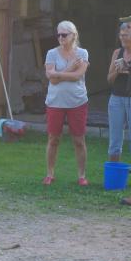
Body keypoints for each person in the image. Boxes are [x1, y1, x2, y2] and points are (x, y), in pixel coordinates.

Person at [43, 20, 89, 186]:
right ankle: (50, 174)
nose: (60, 37)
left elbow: (77, 76)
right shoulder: (51, 53)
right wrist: (70, 68)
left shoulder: (82, 53)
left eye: (64, 35)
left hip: (77, 101)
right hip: (55, 102)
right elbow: (52, 80)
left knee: (79, 140)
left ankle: (81, 176)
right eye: (58, 35)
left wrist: (58, 73)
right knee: (53, 139)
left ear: (73, 35)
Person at [106, 19, 131, 163]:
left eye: (125, 35)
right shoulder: (117, 53)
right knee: (114, 141)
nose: (122, 37)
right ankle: (114, 173)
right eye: (121, 35)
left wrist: (128, 68)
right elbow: (109, 79)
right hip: (116, 99)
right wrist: (117, 70)